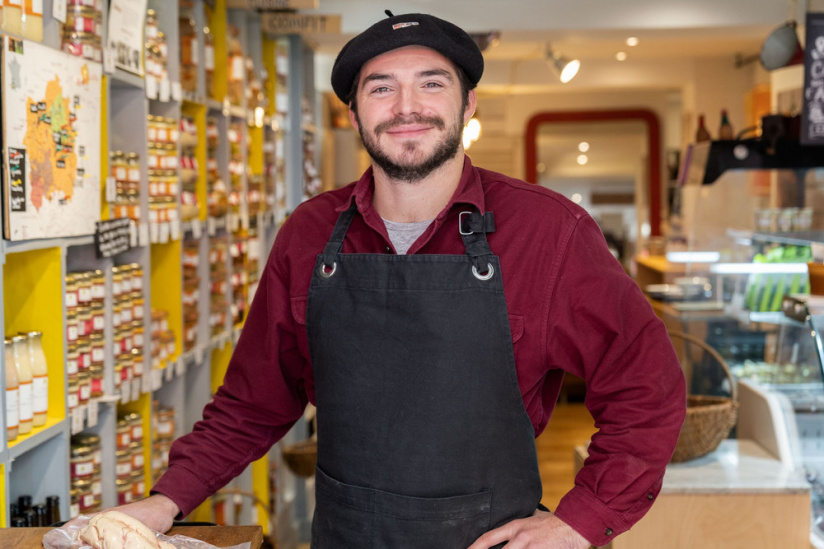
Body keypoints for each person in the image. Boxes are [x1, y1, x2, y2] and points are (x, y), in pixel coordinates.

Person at [111, 11, 686, 548]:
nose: (407, 107)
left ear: (469, 105)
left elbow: (647, 383)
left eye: (432, 84)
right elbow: (252, 402)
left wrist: (579, 521)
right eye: (381, 87)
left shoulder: (548, 232)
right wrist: (167, 500)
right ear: (354, 113)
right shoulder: (309, 233)